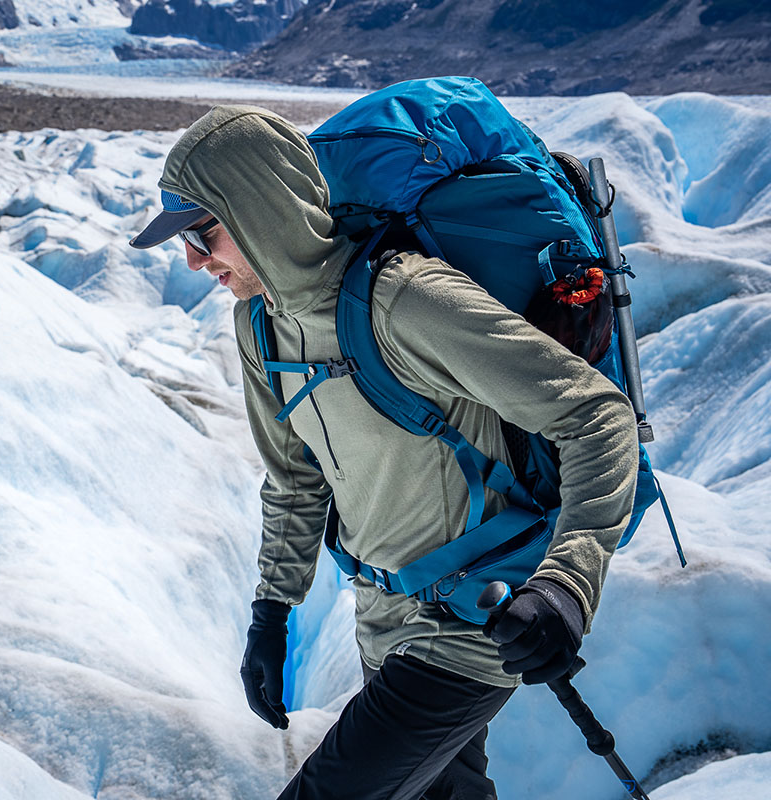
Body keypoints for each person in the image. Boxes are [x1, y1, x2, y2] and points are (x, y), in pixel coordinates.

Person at [129, 105, 638, 800]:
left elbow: (595, 417)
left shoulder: (405, 301)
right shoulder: (261, 326)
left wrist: (566, 586)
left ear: (258, 208)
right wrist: (271, 612)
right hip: (383, 623)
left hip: (475, 620)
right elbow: (294, 479)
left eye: (203, 231)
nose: (194, 260)